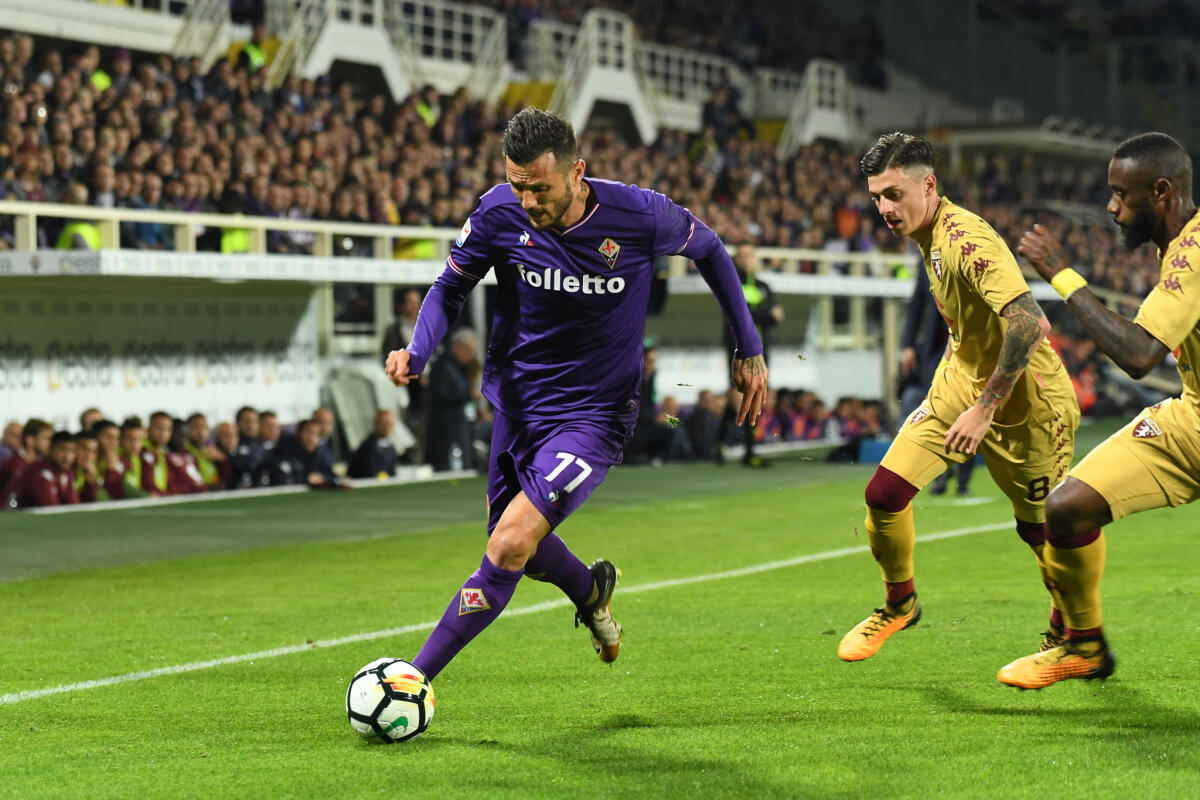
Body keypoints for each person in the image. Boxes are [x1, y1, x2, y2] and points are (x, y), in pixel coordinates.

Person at [384, 107, 767, 695]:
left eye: (540, 187)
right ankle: (591, 593)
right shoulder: (497, 211)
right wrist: (419, 348)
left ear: (576, 170)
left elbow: (712, 250)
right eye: (518, 185)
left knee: (511, 542)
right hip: (517, 403)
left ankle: (411, 680)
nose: (528, 200)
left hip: (593, 416)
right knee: (516, 547)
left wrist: (749, 346)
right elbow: (450, 285)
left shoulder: (637, 214)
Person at [837, 132, 1079, 663]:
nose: (883, 208)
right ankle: (900, 605)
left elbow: (1028, 323)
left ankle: (1070, 634)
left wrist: (985, 407)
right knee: (883, 495)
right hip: (959, 380)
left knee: (1041, 531)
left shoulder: (965, 240)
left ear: (929, 185)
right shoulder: (926, 237)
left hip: (1029, 403)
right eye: (877, 196)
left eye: (894, 194)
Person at [998, 132, 1198, 688]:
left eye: (1120, 194)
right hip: (1193, 418)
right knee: (1066, 508)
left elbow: (1138, 354)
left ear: (1161, 191)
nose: (1111, 207)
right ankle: (1084, 646)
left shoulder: (1192, 254)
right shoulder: (1177, 244)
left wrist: (1061, 274)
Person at [899, 264, 977, 496]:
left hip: (970, 349)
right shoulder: (925, 260)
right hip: (935, 352)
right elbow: (916, 305)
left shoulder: (967, 254)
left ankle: (963, 479)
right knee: (936, 410)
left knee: (968, 411)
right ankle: (939, 474)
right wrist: (908, 344)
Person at [726, 243, 783, 467]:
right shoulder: (732, 284)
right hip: (738, 350)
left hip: (762, 351)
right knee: (742, 397)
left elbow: (777, 316)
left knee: (753, 397)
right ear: (736, 259)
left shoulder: (763, 286)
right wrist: (765, 314)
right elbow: (741, 315)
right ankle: (748, 452)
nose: (747, 259)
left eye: (750, 255)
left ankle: (729, 447)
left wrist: (755, 313)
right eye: (743, 256)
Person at [425, 328, 479, 471]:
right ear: (457, 346)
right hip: (446, 426)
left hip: (460, 422)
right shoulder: (442, 366)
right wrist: (468, 395)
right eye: (468, 350)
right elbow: (442, 396)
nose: (470, 356)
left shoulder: (460, 367)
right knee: (447, 465)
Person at [4, 431, 79, 509]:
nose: (67, 457)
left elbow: (74, 505)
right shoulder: (37, 472)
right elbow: (51, 509)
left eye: (72, 451)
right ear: (50, 449)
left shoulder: (67, 472)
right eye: (62, 450)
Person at [267, 418, 342, 487]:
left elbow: (333, 476)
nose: (311, 438)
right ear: (298, 433)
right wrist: (306, 479)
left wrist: (323, 478)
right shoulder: (285, 452)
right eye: (308, 432)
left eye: (316, 434)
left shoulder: (318, 454)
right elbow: (284, 479)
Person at [0, 418, 53, 496]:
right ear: (30, 439)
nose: (50, 443)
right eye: (45, 438)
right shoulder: (13, 467)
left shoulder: (44, 466)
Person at [348, 410, 399, 478]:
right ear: (376, 424)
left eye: (390, 424)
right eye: (385, 423)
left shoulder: (391, 448)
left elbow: (392, 473)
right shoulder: (367, 447)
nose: (387, 427)